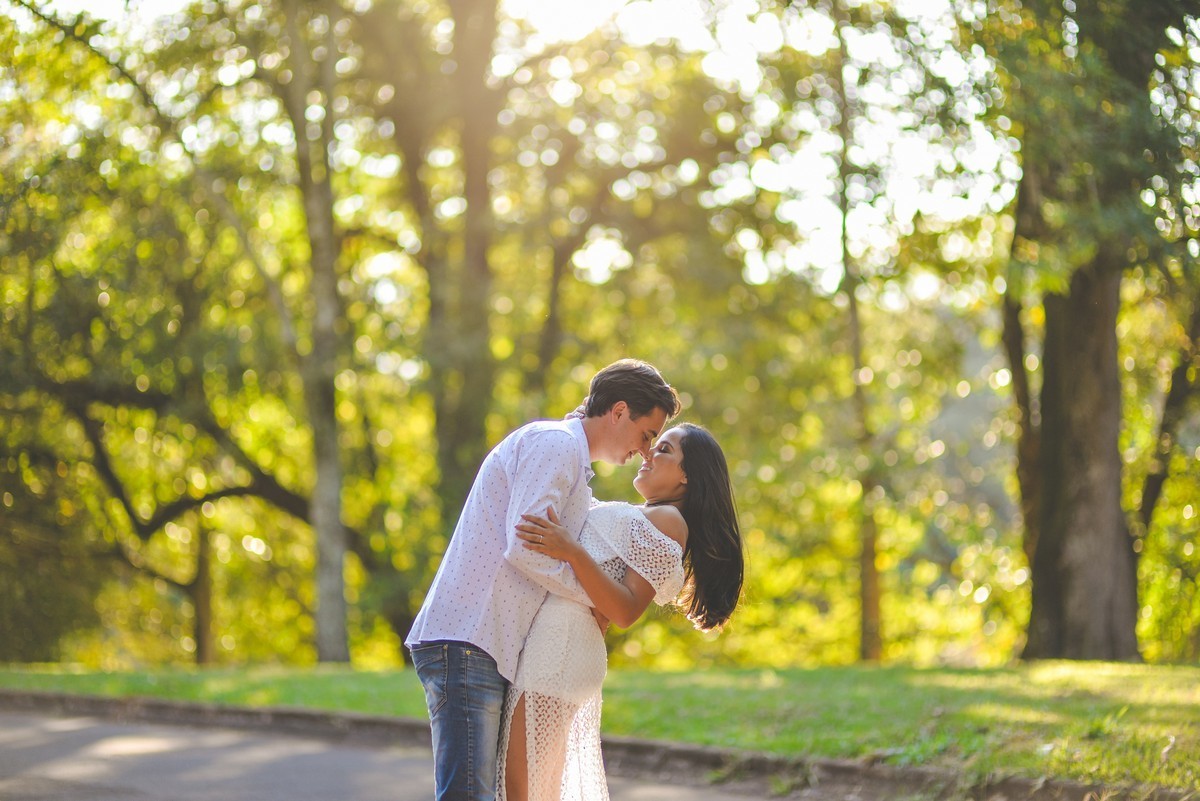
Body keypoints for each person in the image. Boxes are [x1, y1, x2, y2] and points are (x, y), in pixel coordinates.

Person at [405, 359, 681, 801]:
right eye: (646, 435)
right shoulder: (554, 445)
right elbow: (525, 547)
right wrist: (593, 601)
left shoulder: (569, 459)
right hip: (468, 637)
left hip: (487, 643)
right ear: (618, 411)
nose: (646, 450)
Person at [499, 423, 744, 801]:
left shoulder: (669, 522)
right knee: (532, 787)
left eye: (663, 449)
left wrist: (571, 551)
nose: (648, 454)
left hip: (560, 651)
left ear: (686, 476)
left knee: (520, 789)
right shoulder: (647, 515)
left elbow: (627, 609)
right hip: (559, 646)